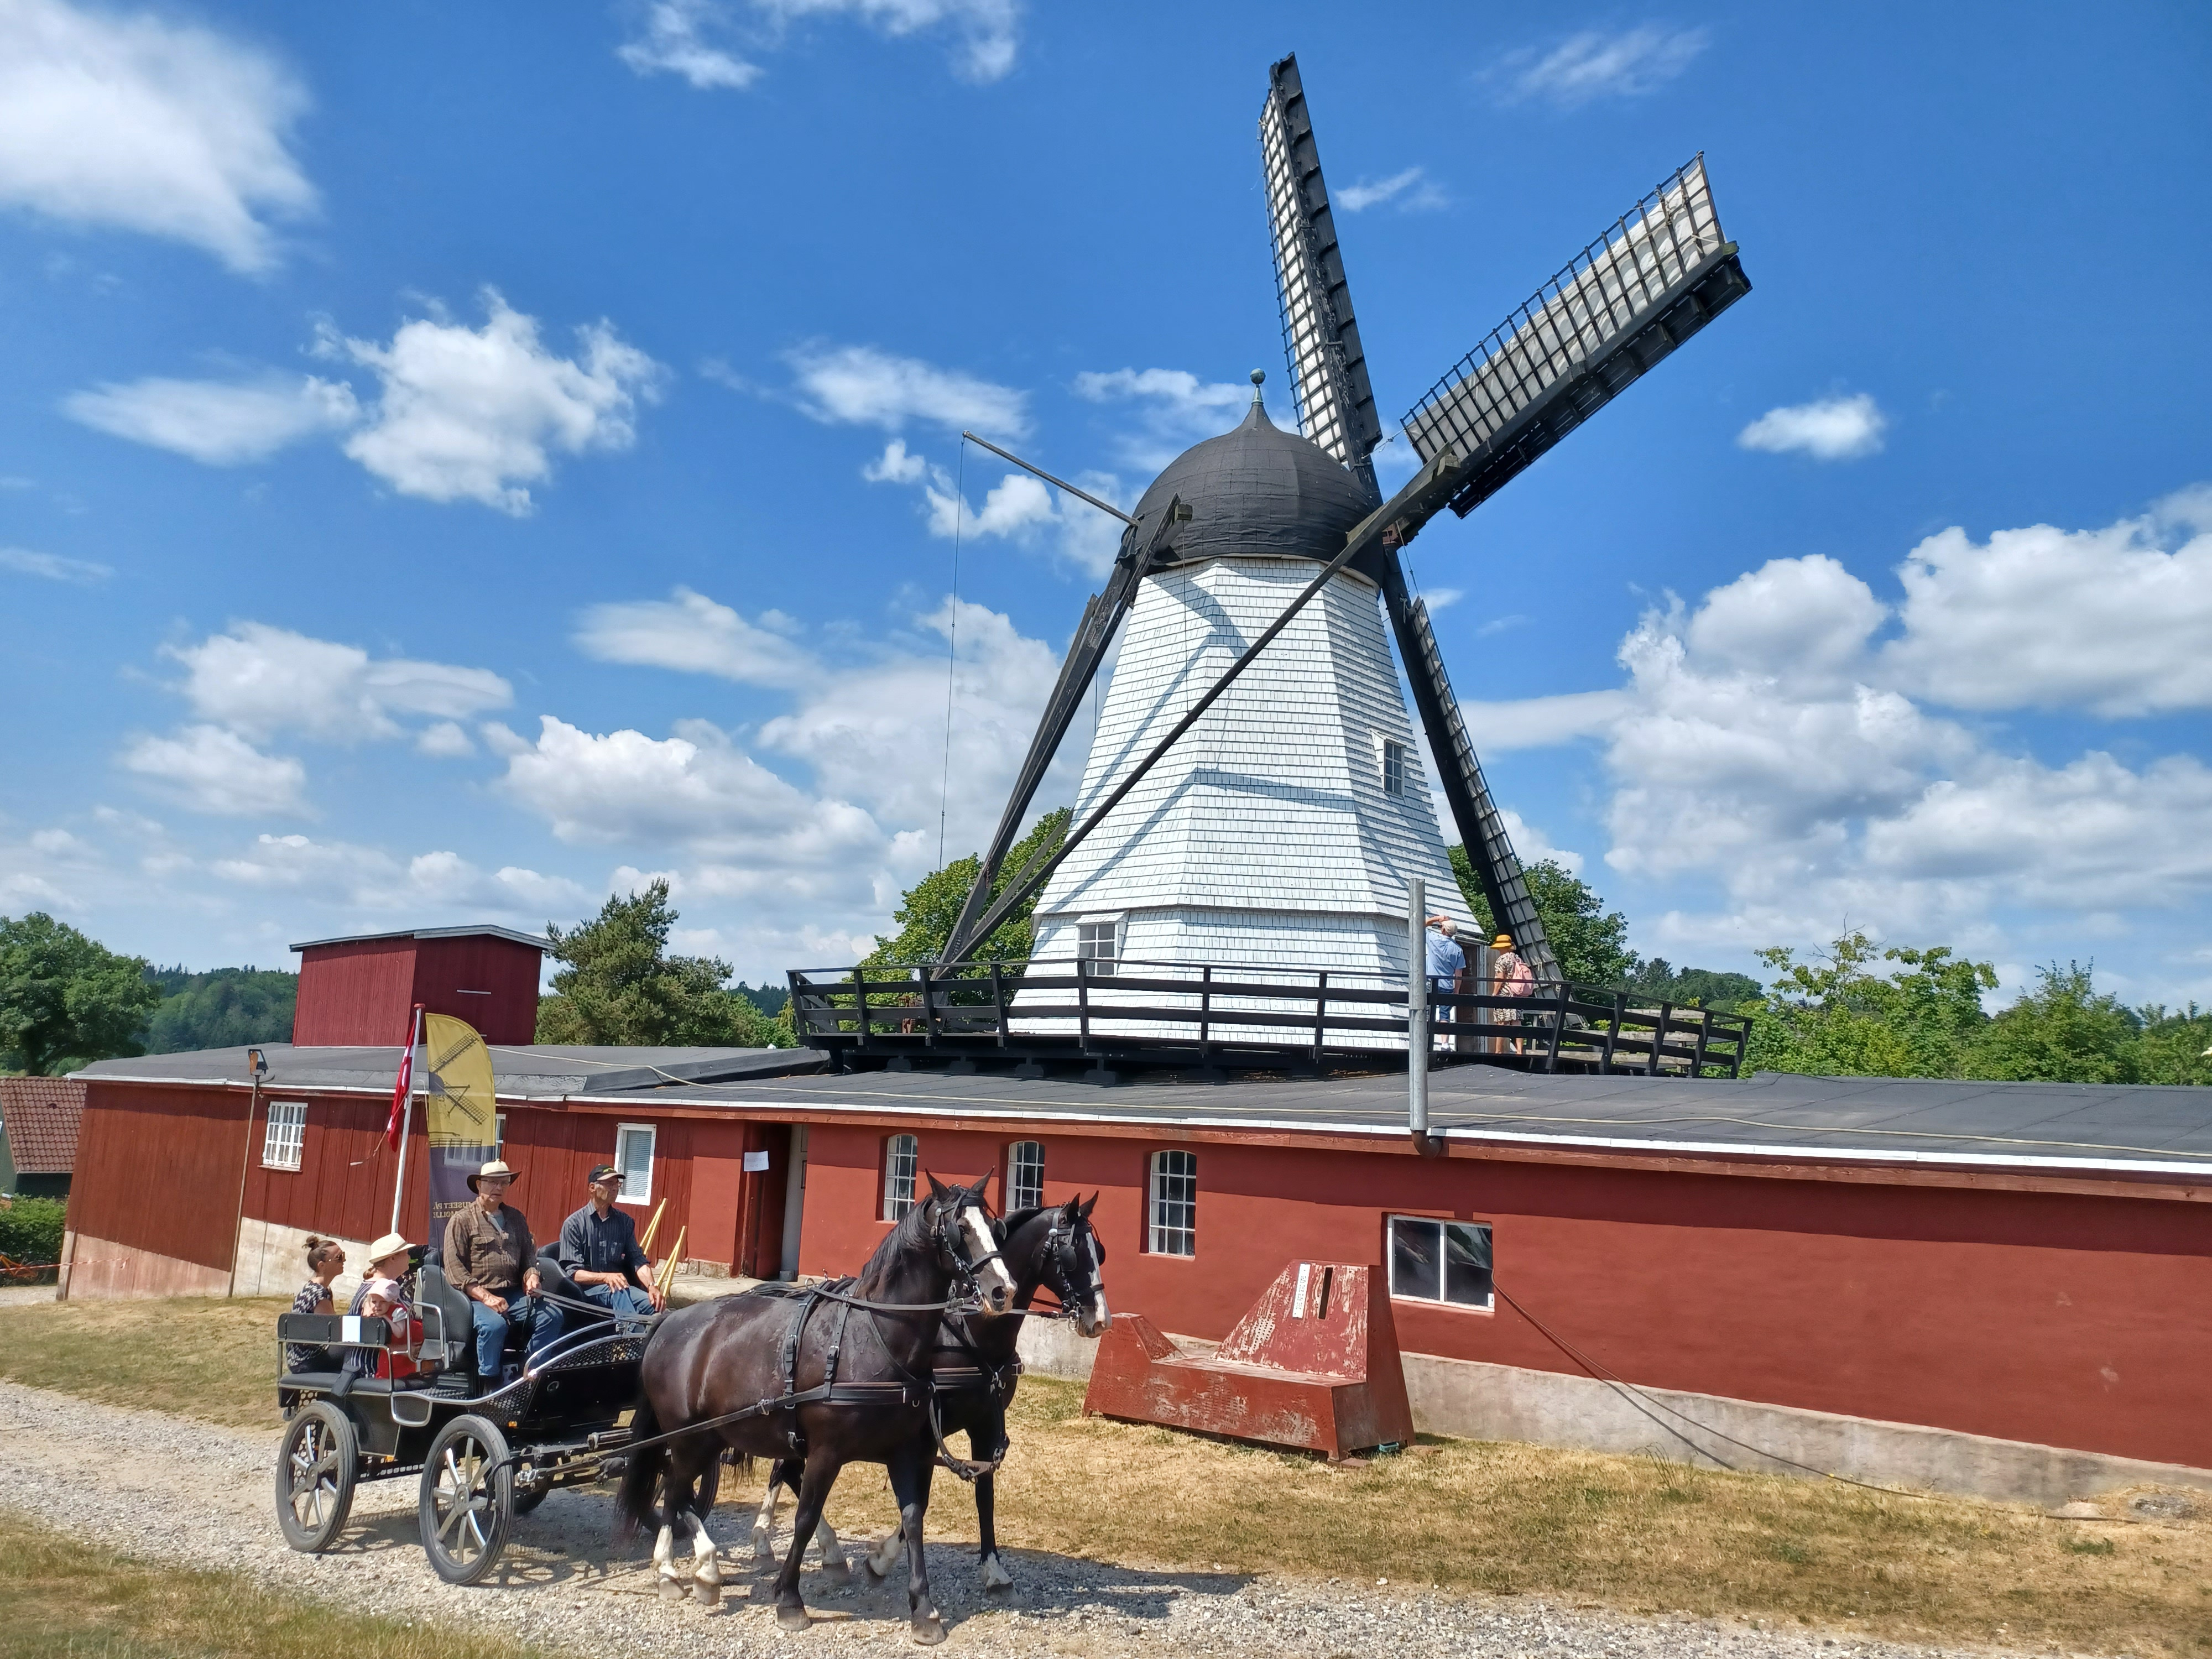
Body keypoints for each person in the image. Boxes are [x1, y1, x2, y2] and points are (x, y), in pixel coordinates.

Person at [442, 1159, 562, 1381]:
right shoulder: (462, 1221)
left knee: (552, 1316)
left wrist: (533, 1276)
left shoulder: (516, 1218)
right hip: (473, 1299)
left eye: (504, 1183)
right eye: (493, 1183)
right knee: (494, 1326)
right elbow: (454, 1269)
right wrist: (487, 1297)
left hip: (514, 1294)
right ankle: (489, 1382)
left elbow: (529, 1255)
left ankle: (528, 1372)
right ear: (479, 1185)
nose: (499, 1188)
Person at [557, 1164, 665, 1323]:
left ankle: (655, 1342)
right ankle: (632, 1342)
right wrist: (606, 1277)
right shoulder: (574, 1224)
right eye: (609, 1184)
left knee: (654, 1304)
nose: (615, 1188)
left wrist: (652, 1287)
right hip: (586, 1291)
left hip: (619, 1288)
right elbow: (573, 1273)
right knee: (618, 1292)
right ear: (592, 1188)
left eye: (617, 1184)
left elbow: (638, 1259)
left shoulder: (625, 1222)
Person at [285, 1237, 345, 1373]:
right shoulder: (319, 1294)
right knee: (357, 1347)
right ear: (322, 1266)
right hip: (308, 1361)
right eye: (339, 1258)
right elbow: (337, 1332)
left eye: (343, 1256)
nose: (344, 1261)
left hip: (299, 1359)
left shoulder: (312, 1288)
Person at [1491, 931, 1537, 1053]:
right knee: (1517, 1022)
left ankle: (1498, 1051)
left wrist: (1495, 993)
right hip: (1517, 993)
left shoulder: (1502, 959)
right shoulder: (1517, 958)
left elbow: (1500, 977)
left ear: (1501, 947)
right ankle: (1520, 1051)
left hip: (1505, 993)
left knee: (1501, 1022)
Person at [1423, 914, 1465, 1042]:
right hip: (1447, 985)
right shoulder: (1458, 950)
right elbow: (1459, 974)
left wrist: (1436, 918)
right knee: (1445, 1015)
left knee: (1428, 1011)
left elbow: (1419, 926)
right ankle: (1445, 1043)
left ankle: (1426, 1040)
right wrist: (1457, 990)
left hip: (1431, 983)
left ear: (1443, 929)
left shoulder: (1433, 939)